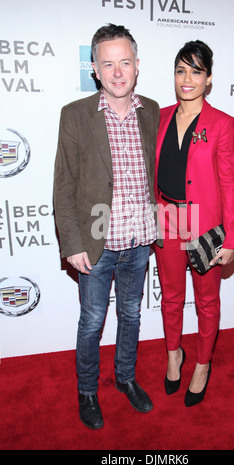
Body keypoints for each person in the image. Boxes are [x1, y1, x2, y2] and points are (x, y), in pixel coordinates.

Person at [53, 24, 160, 429]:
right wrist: (71, 242)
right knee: (93, 320)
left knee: (131, 315)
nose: (118, 72)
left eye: (125, 63)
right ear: (95, 69)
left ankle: (126, 379)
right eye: (108, 64)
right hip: (96, 245)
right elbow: (64, 185)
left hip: (139, 241)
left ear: (137, 66)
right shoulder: (75, 115)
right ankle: (86, 390)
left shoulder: (151, 110)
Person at [154, 40, 234, 407]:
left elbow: (228, 181)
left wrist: (232, 239)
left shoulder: (222, 123)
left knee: (207, 302)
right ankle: (174, 354)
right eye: (181, 70)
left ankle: (203, 365)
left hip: (204, 225)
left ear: (208, 79)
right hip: (165, 218)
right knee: (171, 298)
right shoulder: (158, 117)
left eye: (196, 71)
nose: (187, 78)